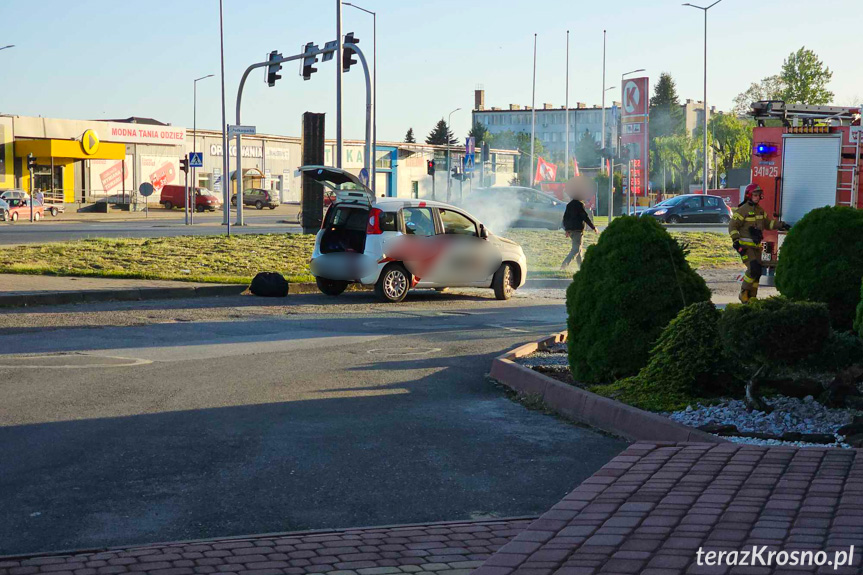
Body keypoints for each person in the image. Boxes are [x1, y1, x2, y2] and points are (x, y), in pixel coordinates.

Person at [728, 183, 788, 303]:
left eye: (759, 195)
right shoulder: (742, 210)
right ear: (749, 195)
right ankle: (744, 292)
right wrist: (736, 241)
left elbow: (768, 223)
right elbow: (732, 226)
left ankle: (752, 297)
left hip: (756, 247)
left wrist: (781, 225)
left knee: (758, 272)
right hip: (746, 247)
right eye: (755, 195)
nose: (757, 197)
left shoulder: (760, 211)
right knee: (753, 268)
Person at [560, 177, 598, 270]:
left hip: (571, 231)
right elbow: (584, 217)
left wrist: (567, 230)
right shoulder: (579, 205)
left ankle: (581, 268)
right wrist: (593, 227)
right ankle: (564, 265)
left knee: (579, 250)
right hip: (577, 230)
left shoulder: (569, 205)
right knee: (576, 250)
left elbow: (565, 218)